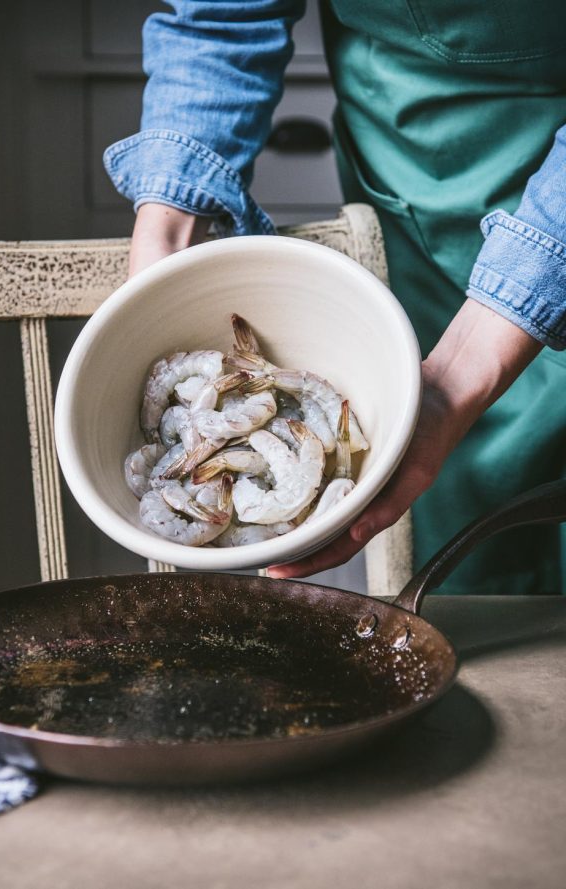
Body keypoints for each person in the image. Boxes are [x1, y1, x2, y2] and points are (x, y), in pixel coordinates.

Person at [103, 1, 566, 594]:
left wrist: (459, 373)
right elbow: (224, 15)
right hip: (418, 174)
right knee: (470, 549)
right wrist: (163, 234)